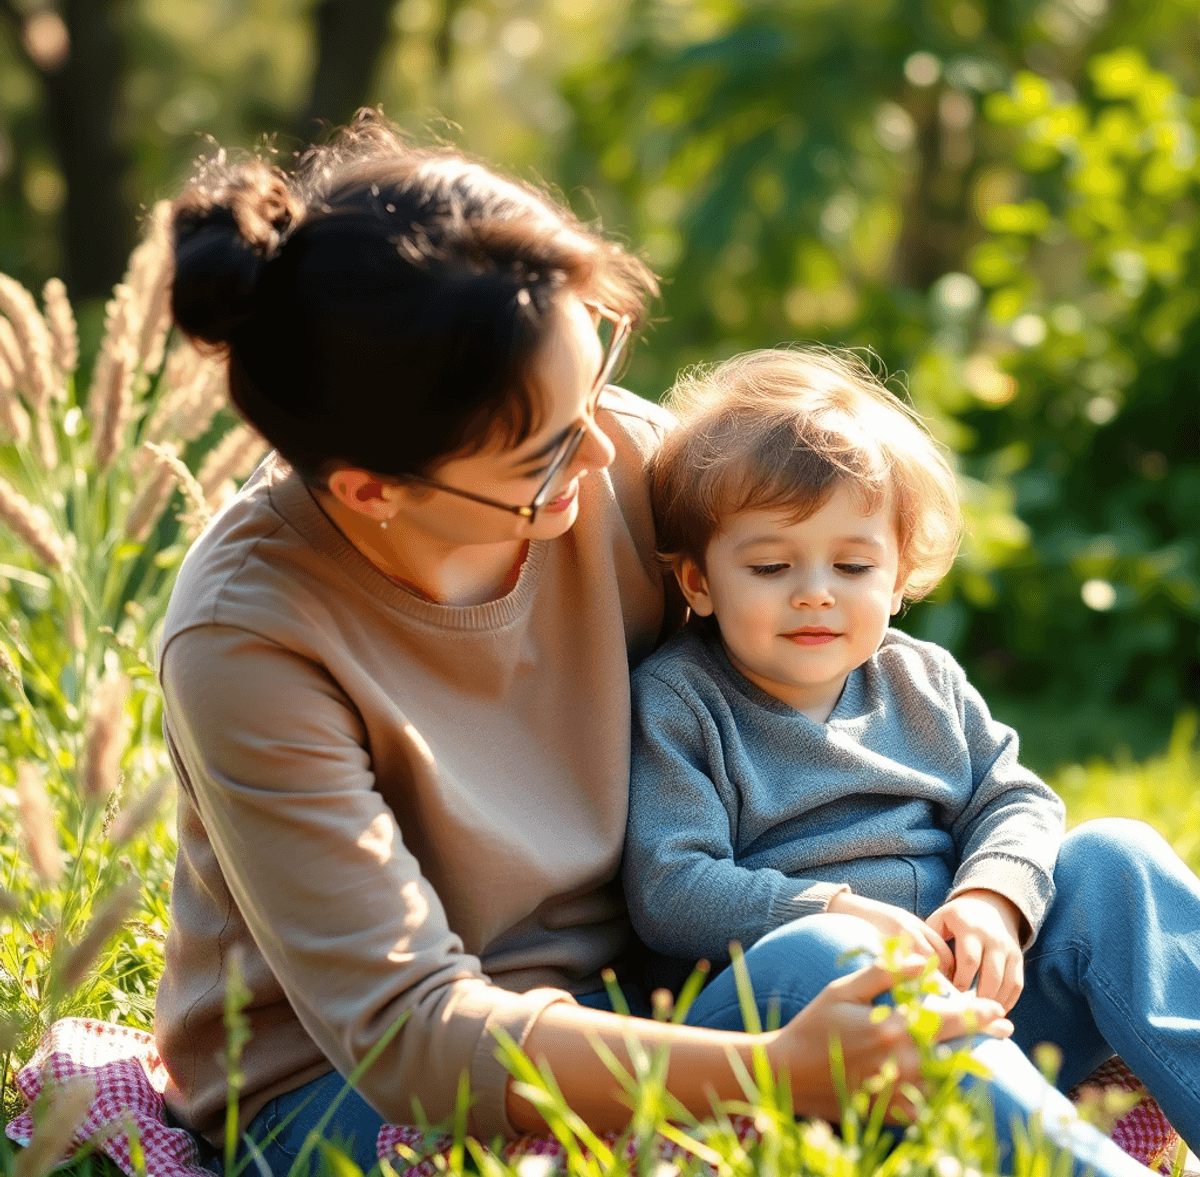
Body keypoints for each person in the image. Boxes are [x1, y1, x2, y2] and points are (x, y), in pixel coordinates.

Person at [156, 108, 1120, 1177]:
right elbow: (408, 1032)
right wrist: (779, 1066)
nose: (609, 439)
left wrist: (959, 892)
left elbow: (826, 620)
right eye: (546, 446)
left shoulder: (618, 462)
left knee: (1105, 874)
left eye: (599, 370)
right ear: (372, 490)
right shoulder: (248, 642)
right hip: (359, 1088)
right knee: (837, 966)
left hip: (667, 989)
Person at [623, 347, 1200, 1166]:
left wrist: (996, 898)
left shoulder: (917, 676)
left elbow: (1015, 800)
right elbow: (670, 887)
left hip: (978, 1004)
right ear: (700, 581)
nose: (816, 591)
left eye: (853, 565)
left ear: (897, 579)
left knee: (1118, 856)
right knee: (838, 956)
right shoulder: (682, 699)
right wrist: (828, 911)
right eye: (770, 565)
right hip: (815, 1034)